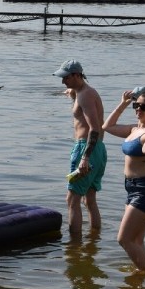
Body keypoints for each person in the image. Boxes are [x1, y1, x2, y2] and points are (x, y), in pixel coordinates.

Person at [103, 88, 145, 271]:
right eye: (136, 106)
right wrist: (122, 104)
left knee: (123, 239)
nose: (138, 110)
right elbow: (106, 127)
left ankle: (144, 271)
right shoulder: (134, 129)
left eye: (143, 107)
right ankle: (142, 280)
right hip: (132, 188)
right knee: (137, 240)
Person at [54, 59, 106, 234]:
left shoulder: (85, 95)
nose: (63, 81)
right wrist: (72, 93)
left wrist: (85, 157)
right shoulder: (83, 92)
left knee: (72, 200)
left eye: (66, 78)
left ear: (77, 75)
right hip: (99, 150)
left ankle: (73, 248)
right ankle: (94, 241)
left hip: (86, 148)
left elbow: (94, 128)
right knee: (89, 200)